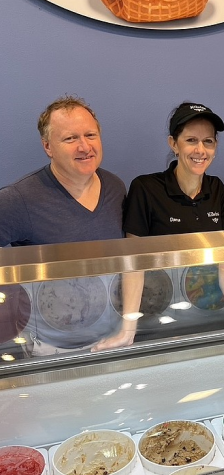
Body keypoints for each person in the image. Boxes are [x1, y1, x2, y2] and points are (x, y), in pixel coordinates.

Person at [94, 102, 224, 350]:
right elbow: (133, 262)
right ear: (173, 144)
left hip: (208, 314)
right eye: (191, 140)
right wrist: (127, 331)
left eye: (208, 141)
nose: (200, 150)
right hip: (156, 317)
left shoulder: (216, 188)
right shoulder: (146, 188)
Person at [0, 95, 128, 355]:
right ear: (48, 146)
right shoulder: (18, 199)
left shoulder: (116, 187)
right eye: (70, 139)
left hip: (112, 338)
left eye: (90, 135)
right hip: (48, 348)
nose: (84, 147)